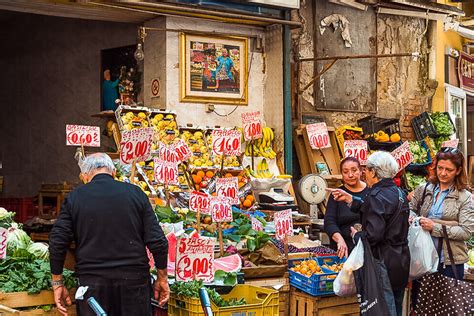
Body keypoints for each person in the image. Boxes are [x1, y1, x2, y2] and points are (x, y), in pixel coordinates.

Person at [49, 153, 169, 316]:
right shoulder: (136, 193)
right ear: (113, 173)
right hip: (134, 284)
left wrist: (57, 283)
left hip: (93, 285)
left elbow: (57, 242)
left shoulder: (75, 198)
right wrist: (162, 277)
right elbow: (158, 241)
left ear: (85, 176)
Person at [329, 151, 410, 316]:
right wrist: (351, 200)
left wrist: (356, 235)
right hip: (401, 258)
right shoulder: (399, 193)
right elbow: (379, 209)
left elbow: (373, 235)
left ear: (374, 172)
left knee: (384, 308)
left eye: (366, 169)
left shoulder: (375, 195)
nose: (364, 173)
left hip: (383, 260)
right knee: (396, 303)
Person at [409, 147, 473, 310]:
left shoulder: (464, 197)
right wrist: (410, 216)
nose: (443, 173)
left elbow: (466, 231)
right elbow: (411, 208)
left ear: (458, 170)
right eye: (440, 168)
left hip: (449, 261)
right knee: (421, 305)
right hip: (422, 259)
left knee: (448, 308)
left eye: (449, 170)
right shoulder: (424, 189)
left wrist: (434, 227)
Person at [324, 157, 368, 258]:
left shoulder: (370, 192)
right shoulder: (337, 194)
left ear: (361, 171)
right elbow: (329, 222)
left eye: (354, 170)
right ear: (342, 174)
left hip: (367, 248)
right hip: (343, 250)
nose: (350, 175)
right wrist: (340, 239)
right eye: (345, 171)